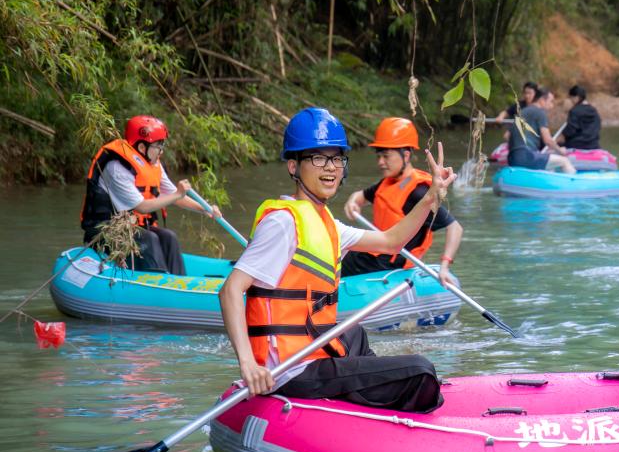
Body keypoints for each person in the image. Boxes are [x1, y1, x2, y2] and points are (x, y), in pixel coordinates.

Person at [218, 107, 449, 412]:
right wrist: (248, 365)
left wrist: (431, 197)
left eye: (336, 159)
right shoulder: (283, 223)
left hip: (311, 350)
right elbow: (231, 290)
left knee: (352, 333)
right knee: (421, 370)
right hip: (289, 372)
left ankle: (368, 392)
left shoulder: (327, 221)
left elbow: (392, 241)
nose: (330, 167)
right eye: (317, 158)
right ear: (293, 166)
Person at [80, 115, 222, 274]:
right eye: (158, 145)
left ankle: (177, 281)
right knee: (149, 238)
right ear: (142, 147)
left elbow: (176, 196)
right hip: (105, 231)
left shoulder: (153, 165)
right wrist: (177, 195)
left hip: (133, 227)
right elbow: (142, 207)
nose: (161, 150)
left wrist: (206, 209)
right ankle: (157, 282)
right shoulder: (117, 168)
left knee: (169, 237)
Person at [342, 117, 462, 287]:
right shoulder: (388, 183)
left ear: (405, 155)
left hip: (386, 265)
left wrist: (444, 265)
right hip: (370, 256)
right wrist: (353, 202)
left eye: (386, 156)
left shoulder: (418, 192)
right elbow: (359, 196)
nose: (380, 162)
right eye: (379, 157)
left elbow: (455, 228)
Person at [506, 88, 576, 173]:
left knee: (550, 164)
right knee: (564, 161)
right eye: (550, 101)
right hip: (527, 157)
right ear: (542, 100)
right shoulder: (539, 112)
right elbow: (548, 140)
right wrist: (560, 150)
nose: (552, 105)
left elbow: (507, 136)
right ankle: (574, 183)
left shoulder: (522, 112)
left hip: (512, 159)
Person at [561, 85, 602, 150]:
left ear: (576, 97)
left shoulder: (574, 111)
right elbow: (598, 126)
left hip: (577, 145)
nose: (571, 101)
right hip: (593, 144)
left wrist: (562, 135)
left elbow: (570, 130)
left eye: (571, 98)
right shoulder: (594, 111)